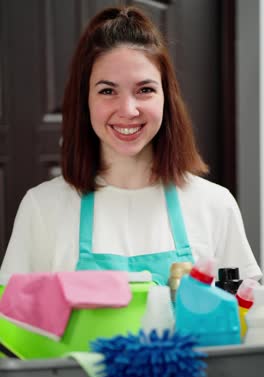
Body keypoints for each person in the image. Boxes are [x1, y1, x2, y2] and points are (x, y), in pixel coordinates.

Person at [0, 6, 261, 286]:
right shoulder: (43, 208)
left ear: (166, 97)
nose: (128, 109)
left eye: (144, 90)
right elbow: (12, 325)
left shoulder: (215, 206)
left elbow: (245, 316)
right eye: (107, 91)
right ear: (84, 101)